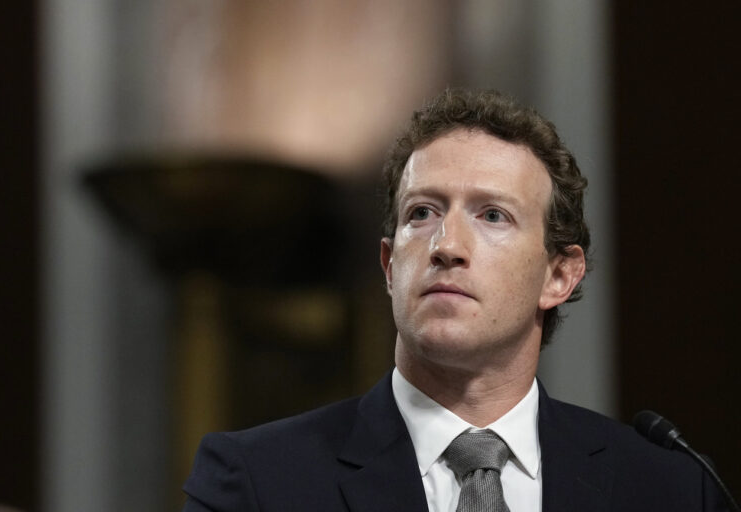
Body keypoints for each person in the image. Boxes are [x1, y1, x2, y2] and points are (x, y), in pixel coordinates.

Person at [182, 89, 728, 511]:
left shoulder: (670, 488)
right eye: (422, 213)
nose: (446, 246)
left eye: (493, 215)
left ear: (558, 275)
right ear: (390, 266)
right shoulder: (258, 480)